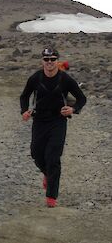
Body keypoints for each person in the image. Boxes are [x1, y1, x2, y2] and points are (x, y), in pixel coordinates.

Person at [20, 47, 86, 207]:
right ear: (42, 61)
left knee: (53, 157)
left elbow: (81, 98)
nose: (49, 63)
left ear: (57, 61)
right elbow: (24, 95)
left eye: (53, 59)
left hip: (58, 121)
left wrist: (73, 109)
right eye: (46, 60)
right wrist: (24, 111)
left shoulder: (65, 79)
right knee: (36, 153)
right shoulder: (36, 78)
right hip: (40, 121)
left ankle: (51, 196)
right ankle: (47, 175)